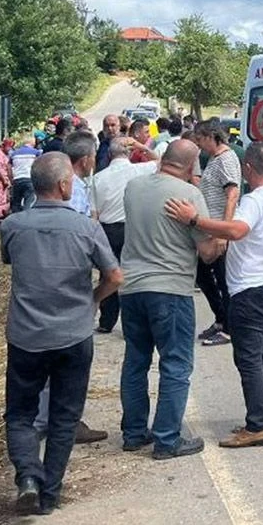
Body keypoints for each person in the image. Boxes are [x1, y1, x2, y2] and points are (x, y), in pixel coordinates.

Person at [0, 152, 122, 515]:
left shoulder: (13, 226)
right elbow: (115, 276)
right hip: (73, 332)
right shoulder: (87, 228)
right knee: (64, 418)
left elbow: (11, 262)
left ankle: (28, 476)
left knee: (20, 413)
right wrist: (92, 301)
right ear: (65, 185)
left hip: (25, 334)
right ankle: (49, 493)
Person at [164, 142, 263, 448]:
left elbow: (237, 231)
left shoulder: (254, 201)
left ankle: (256, 426)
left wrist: (195, 220)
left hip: (250, 289)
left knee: (249, 358)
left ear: (248, 169)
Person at [118, 140, 224, 460]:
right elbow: (206, 253)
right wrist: (221, 239)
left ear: (163, 158)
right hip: (170, 287)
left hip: (132, 287)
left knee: (136, 361)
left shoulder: (133, 188)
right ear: (192, 167)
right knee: (176, 364)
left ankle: (134, 433)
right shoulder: (190, 195)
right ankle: (167, 438)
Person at [89, 137, 157, 334]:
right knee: (131, 276)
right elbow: (161, 161)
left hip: (107, 230)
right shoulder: (139, 171)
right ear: (129, 153)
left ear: (109, 155)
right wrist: (142, 147)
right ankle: (132, 324)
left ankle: (106, 320)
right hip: (132, 227)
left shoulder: (98, 178)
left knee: (108, 275)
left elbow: (94, 215)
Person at [192, 120, 241, 346]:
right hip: (209, 227)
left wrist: (224, 232)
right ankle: (221, 318)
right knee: (203, 275)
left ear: (212, 137)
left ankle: (230, 327)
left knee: (222, 279)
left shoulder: (226, 159)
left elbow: (232, 194)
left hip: (219, 229)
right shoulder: (214, 159)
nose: (199, 145)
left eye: (201, 140)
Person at [64, 131, 98, 217]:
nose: (94, 161)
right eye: (94, 156)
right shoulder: (76, 190)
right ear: (84, 161)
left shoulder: (60, 182)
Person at [10, 136, 43, 213]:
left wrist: (11, 178)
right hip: (29, 179)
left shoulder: (14, 153)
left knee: (16, 202)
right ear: (33, 142)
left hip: (17, 179)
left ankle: (15, 219)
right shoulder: (36, 152)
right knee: (28, 201)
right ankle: (26, 218)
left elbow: (9, 167)